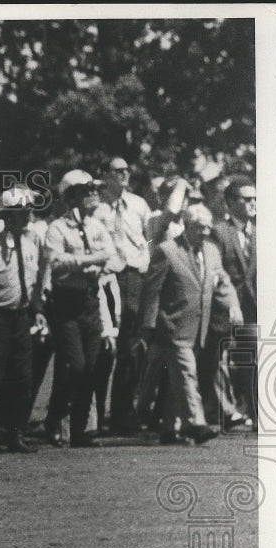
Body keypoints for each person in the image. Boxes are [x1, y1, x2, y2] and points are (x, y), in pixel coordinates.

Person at [137, 204, 240, 445]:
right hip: (171, 326)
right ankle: (195, 423)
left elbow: (222, 281)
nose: (204, 232)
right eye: (198, 227)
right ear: (185, 225)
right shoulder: (167, 250)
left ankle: (168, 429)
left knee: (170, 380)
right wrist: (147, 327)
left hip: (199, 328)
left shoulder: (212, 251)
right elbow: (152, 292)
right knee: (186, 373)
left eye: (207, 227)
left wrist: (232, 305)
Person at [0, 187, 47, 452]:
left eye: (27, 212)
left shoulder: (32, 241)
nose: (24, 218)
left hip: (21, 316)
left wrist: (37, 309)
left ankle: (15, 433)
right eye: (18, 213)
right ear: (6, 215)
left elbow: (37, 278)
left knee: (23, 378)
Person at [43, 170, 117, 448]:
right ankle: (55, 418)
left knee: (92, 367)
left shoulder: (97, 227)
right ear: (71, 196)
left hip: (90, 300)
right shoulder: (57, 229)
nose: (93, 195)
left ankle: (79, 429)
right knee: (75, 366)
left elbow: (109, 256)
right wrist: (88, 261)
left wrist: (82, 262)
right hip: (65, 304)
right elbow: (56, 262)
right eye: (86, 191)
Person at [93, 156, 152, 434]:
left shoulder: (139, 205)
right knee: (107, 346)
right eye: (117, 170)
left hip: (136, 277)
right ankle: (94, 413)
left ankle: (122, 412)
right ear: (105, 175)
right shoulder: (98, 209)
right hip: (110, 277)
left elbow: (150, 236)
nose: (124, 174)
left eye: (127, 170)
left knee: (132, 346)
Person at [211, 175, 257, 427]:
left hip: (254, 308)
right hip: (225, 307)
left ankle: (254, 412)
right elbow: (216, 269)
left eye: (254, 199)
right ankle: (226, 412)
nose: (252, 203)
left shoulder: (260, 233)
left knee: (252, 360)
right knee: (218, 361)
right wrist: (229, 303)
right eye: (246, 198)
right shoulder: (219, 232)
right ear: (230, 202)